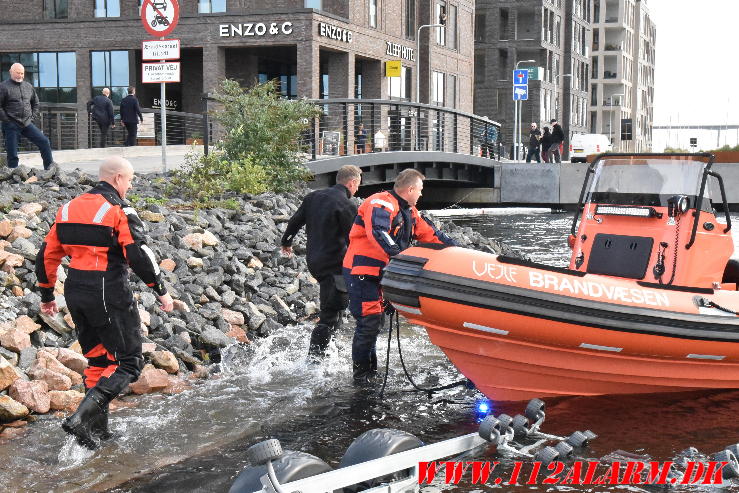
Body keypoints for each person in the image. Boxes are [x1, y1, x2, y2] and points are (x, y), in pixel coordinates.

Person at [36, 156, 174, 449]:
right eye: (131, 179)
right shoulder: (118, 209)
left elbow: (47, 254)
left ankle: (97, 433)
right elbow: (139, 253)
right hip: (107, 290)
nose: (132, 185)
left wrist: (48, 294)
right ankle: (80, 420)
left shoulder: (68, 208)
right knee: (129, 363)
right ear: (118, 179)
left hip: (75, 290)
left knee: (98, 361)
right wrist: (160, 289)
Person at [343, 169, 457, 384]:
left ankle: (369, 374)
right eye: (420, 190)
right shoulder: (381, 202)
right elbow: (378, 231)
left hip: (381, 272)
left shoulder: (409, 211)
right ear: (411, 189)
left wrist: (459, 251)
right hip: (361, 271)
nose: (421, 195)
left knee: (374, 324)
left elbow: (431, 235)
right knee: (368, 323)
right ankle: (361, 378)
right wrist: (400, 257)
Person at [281, 165, 362, 359]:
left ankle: (329, 349)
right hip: (334, 265)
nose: (357, 190)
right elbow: (355, 239)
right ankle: (314, 360)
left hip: (315, 261)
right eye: (357, 186)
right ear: (351, 183)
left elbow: (295, 221)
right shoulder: (347, 204)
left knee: (337, 307)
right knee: (330, 313)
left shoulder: (313, 197)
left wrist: (286, 242)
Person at [0, 63, 55, 170]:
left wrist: (32, 117)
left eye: (22, 73)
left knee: (44, 142)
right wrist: (7, 120)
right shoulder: (3, 87)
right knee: (12, 153)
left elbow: (36, 103)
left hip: (27, 123)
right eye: (17, 73)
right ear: (11, 72)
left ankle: (50, 170)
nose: (20, 75)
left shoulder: (28, 86)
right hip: (11, 124)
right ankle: (13, 176)